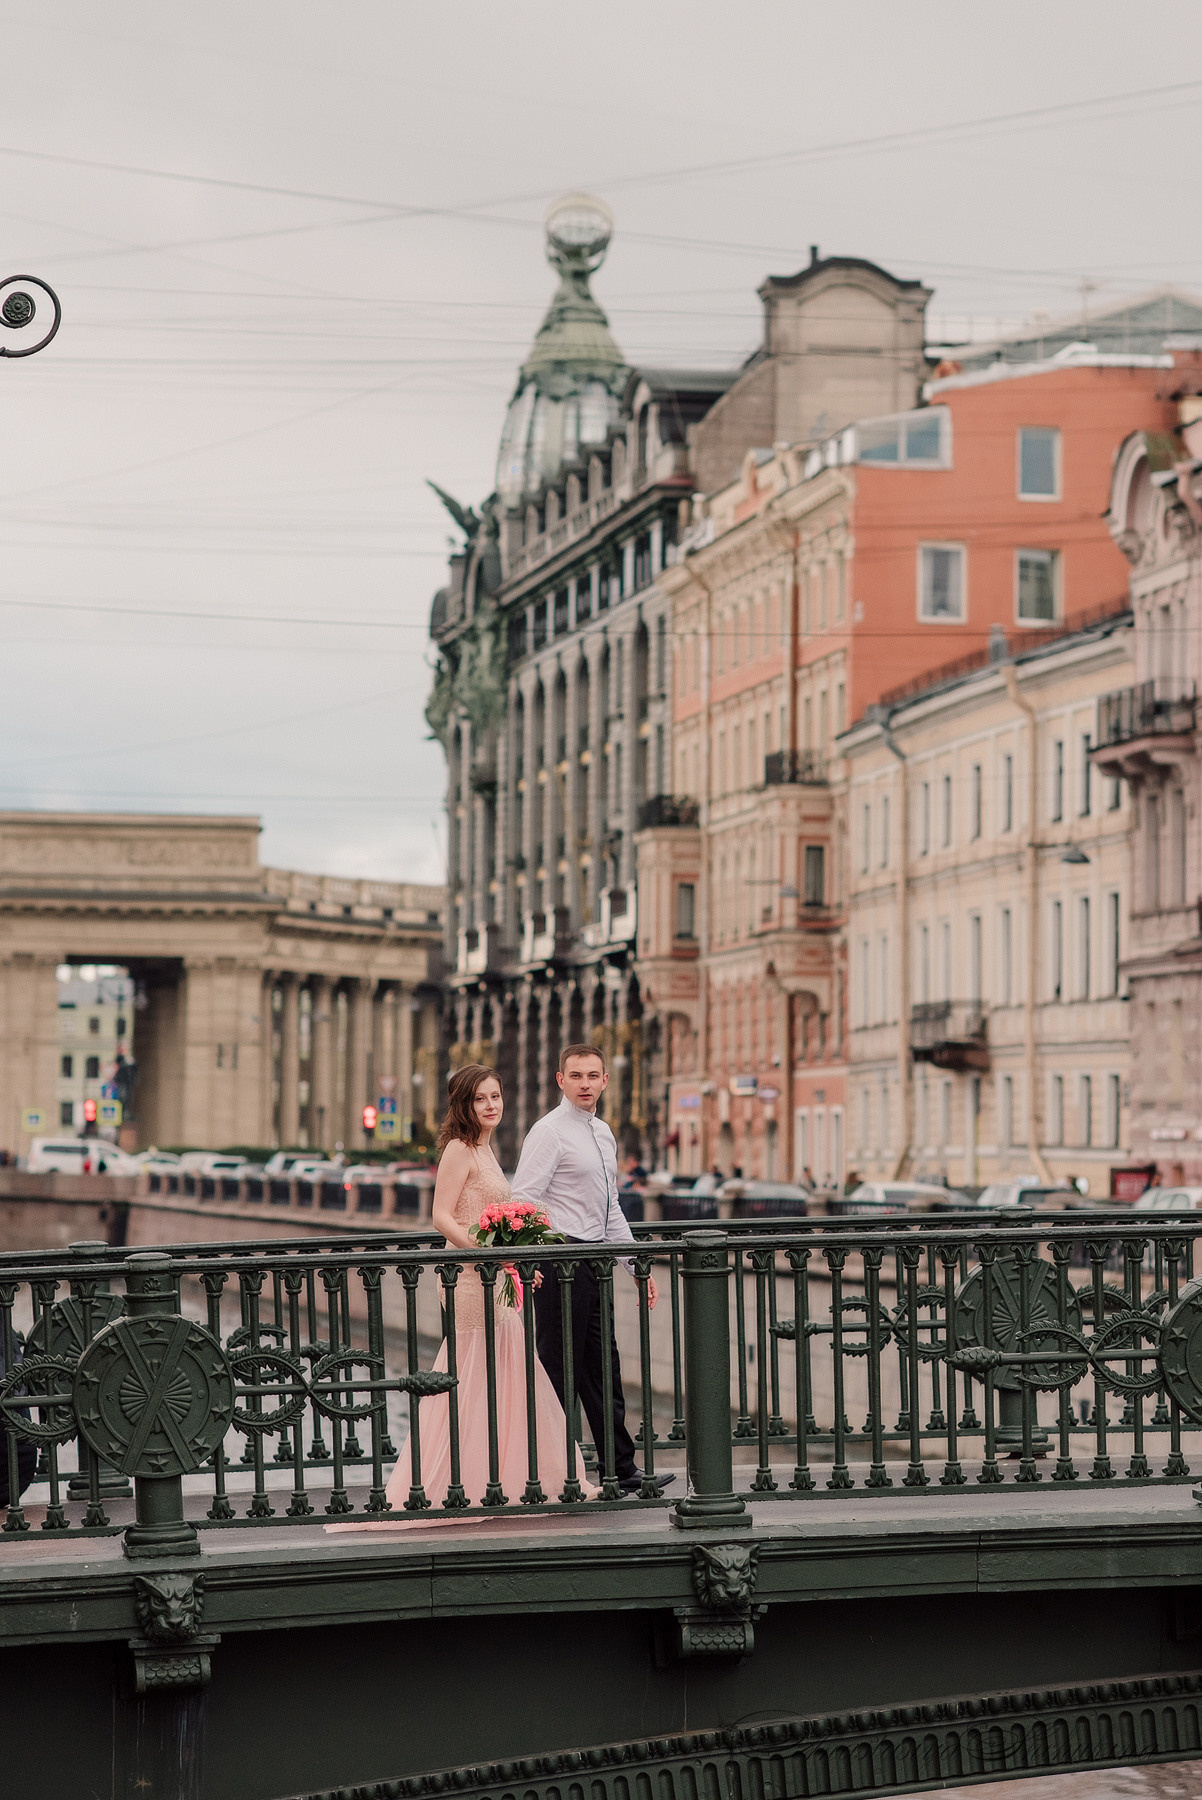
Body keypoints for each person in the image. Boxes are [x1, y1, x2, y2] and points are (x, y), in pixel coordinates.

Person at [384, 1064, 592, 1507]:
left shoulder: (486, 1148)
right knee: (475, 1374)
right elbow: (442, 1217)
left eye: (495, 1096)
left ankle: (505, 1477)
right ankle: (456, 1484)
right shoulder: (460, 1148)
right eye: (480, 1099)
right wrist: (492, 1256)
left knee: (505, 1372)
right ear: (464, 1104)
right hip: (466, 1277)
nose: (490, 1105)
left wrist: (514, 1262)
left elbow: (493, 1222)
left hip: (494, 1275)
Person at [514, 1044, 673, 1497]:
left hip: (595, 1261)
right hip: (558, 1259)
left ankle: (621, 1472)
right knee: (557, 1371)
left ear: (605, 1081)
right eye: (576, 1076)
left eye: (593, 1076)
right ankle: (550, 1474)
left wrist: (636, 1266)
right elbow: (525, 1199)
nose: (585, 1084)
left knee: (603, 1371)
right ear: (560, 1080)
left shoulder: (603, 1133)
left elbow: (611, 1211)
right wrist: (533, 1260)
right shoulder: (548, 1132)